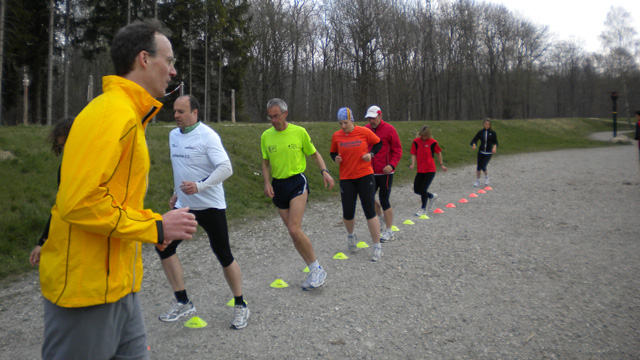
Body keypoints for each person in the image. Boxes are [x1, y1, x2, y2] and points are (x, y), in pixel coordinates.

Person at [39, 19, 198, 360]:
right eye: (168, 61)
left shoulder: (129, 115)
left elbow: (115, 200)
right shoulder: (111, 114)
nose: (172, 72)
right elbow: (78, 202)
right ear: (144, 58)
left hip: (120, 285)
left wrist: (155, 225)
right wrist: (154, 226)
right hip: (86, 293)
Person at [156, 94, 249, 329]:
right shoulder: (173, 135)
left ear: (195, 112)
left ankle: (240, 304)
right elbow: (182, 166)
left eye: (181, 111)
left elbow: (226, 168)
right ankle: (183, 303)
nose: (176, 115)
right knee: (163, 246)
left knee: (223, 254)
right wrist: (177, 191)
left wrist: (200, 185)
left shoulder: (208, 136)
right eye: (174, 111)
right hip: (185, 206)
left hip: (211, 206)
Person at [261, 98, 335, 290]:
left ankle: (317, 269)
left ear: (285, 114)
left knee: (294, 229)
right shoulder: (266, 136)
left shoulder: (299, 132)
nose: (273, 120)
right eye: (270, 117)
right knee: (293, 234)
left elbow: (314, 153)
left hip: (297, 182)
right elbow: (266, 162)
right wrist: (267, 182)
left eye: (276, 116)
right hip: (278, 185)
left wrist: (324, 172)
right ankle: (313, 269)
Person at [330, 107, 384, 261]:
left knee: (369, 210)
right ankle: (351, 235)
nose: (342, 126)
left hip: (365, 175)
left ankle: (377, 246)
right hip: (346, 177)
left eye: (345, 122)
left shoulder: (364, 132)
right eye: (340, 123)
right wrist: (335, 158)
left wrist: (371, 154)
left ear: (352, 120)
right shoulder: (337, 136)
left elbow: (378, 144)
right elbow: (333, 152)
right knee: (348, 212)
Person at [29, 118, 74, 267]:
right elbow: (59, 206)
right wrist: (42, 242)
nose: (65, 151)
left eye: (69, 145)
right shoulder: (64, 169)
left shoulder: (99, 164)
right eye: (61, 147)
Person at [410, 125, 448, 216]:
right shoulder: (416, 142)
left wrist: (441, 164)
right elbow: (413, 154)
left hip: (430, 169)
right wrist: (413, 164)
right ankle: (431, 196)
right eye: (422, 135)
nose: (423, 138)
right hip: (420, 170)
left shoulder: (433, 142)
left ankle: (423, 209)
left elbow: (438, 153)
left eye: (425, 136)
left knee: (423, 189)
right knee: (416, 189)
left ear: (429, 135)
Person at [470, 118, 498, 187]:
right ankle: (477, 180)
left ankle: (486, 177)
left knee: (483, 166)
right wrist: (474, 145)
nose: (487, 125)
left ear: (490, 125)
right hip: (481, 152)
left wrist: (494, 148)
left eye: (488, 124)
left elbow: (495, 142)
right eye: (486, 124)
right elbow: (474, 140)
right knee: (478, 167)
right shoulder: (481, 132)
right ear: (483, 124)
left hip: (488, 152)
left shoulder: (493, 133)